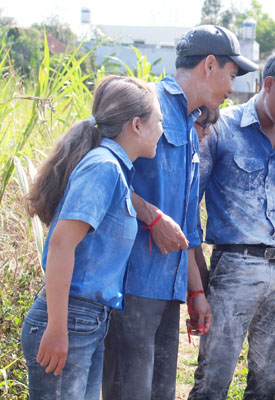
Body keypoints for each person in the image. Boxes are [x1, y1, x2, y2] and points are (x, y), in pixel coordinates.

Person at [102, 25, 257, 400]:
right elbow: (98, 173)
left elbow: (185, 224)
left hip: (166, 287)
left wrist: (195, 291)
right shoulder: (144, 104)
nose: (231, 89)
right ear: (209, 65)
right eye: (231, 76)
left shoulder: (190, 126)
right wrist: (149, 215)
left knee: (159, 391)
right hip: (129, 284)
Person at [188, 46, 275, 399]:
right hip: (236, 266)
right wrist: (197, 283)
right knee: (212, 380)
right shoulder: (222, 128)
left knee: (268, 383)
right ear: (268, 83)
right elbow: (189, 206)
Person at [21, 75, 162, 400]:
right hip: (70, 317)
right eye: (159, 120)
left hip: (87, 319)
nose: (162, 129)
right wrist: (57, 328)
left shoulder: (114, 167)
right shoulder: (104, 167)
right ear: (136, 125)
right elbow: (60, 243)